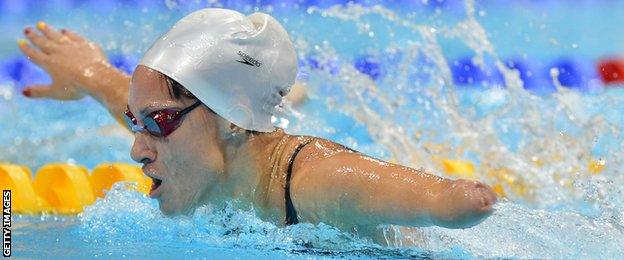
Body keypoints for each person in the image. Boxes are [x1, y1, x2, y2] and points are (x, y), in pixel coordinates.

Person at [17, 8, 496, 232]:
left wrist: (461, 200)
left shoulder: (317, 184)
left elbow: (461, 204)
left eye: (156, 123)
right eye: (134, 121)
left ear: (231, 117)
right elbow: (148, 107)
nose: (137, 149)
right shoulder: (197, 136)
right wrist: (86, 73)